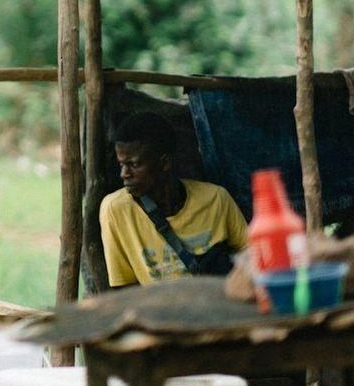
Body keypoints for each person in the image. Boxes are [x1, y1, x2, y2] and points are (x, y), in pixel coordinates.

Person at [100, 112, 248, 286]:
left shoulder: (216, 199)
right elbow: (123, 288)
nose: (124, 174)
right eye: (121, 165)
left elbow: (254, 254)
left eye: (134, 164)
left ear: (165, 164)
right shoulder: (116, 209)